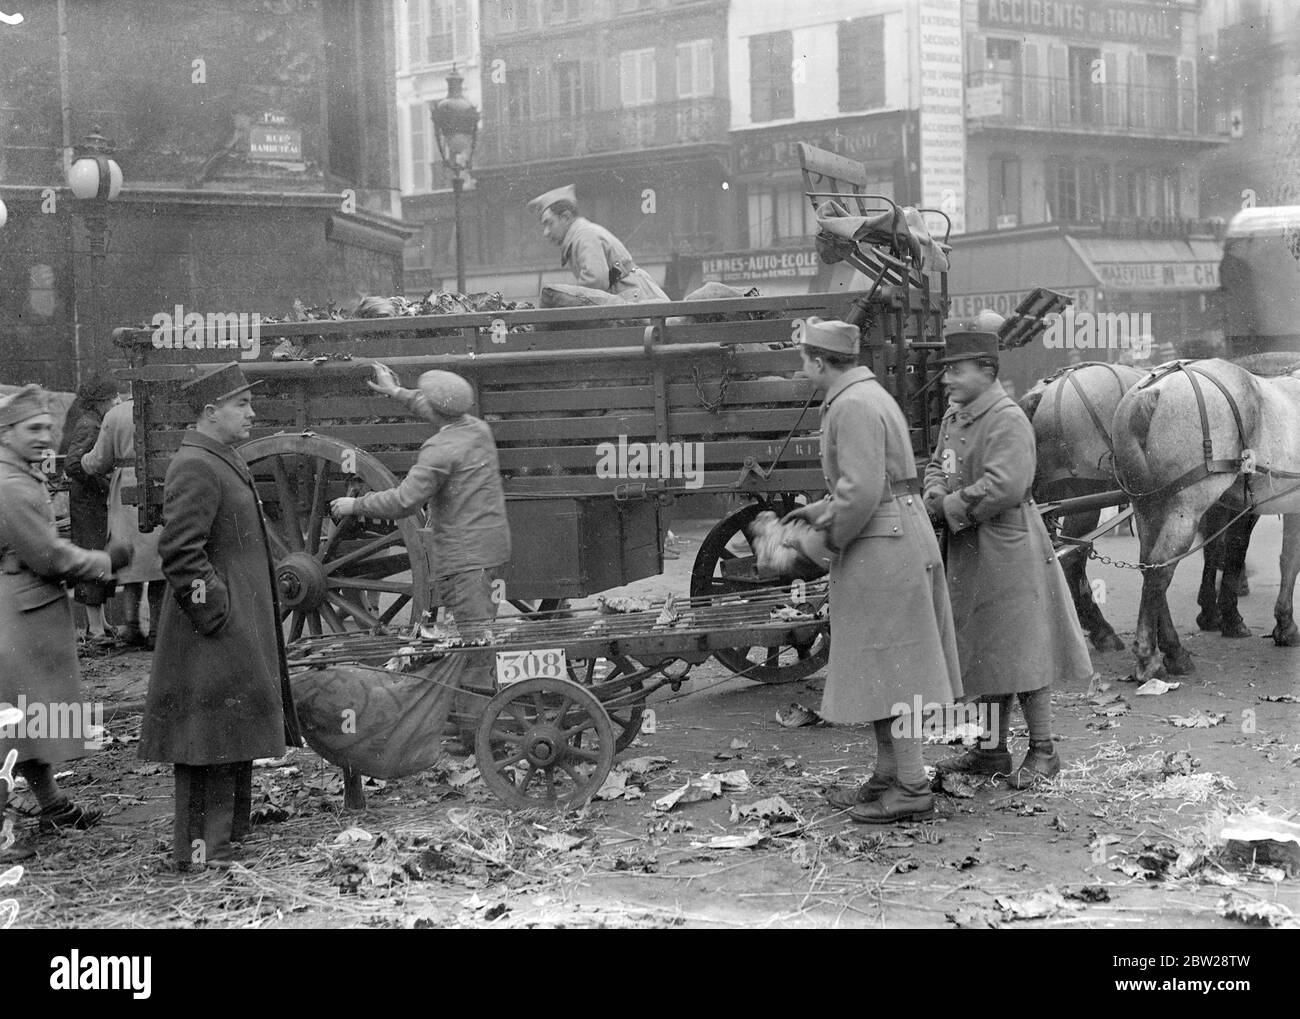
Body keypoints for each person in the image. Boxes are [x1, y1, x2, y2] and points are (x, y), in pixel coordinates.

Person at [780, 319, 963, 823]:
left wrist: (825, 540)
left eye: (803, 359)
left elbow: (861, 492)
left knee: (896, 667)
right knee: (885, 664)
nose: (802, 367)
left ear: (819, 361)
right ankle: (888, 775)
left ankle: (912, 786)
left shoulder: (853, 404)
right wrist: (821, 510)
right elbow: (876, 482)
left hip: (882, 543)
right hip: (895, 531)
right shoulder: (868, 395)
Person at [138, 364, 300, 871]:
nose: (253, 413)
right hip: (210, 629)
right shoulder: (195, 465)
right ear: (211, 413)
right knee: (206, 736)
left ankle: (226, 837)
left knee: (230, 730)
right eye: (242, 405)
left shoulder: (218, 458)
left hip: (231, 622)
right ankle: (202, 850)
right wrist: (217, 613)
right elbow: (181, 551)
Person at [923, 316, 1093, 788]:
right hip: (970, 546)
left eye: (956, 369)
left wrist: (948, 506)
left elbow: (1006, 485)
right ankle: (991, 752)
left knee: (1022, 649)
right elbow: (937, 464)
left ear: (986, 369)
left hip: (1007, 546)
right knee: (982, 649)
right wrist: (934, 494)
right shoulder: (955, 417)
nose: (947, 378)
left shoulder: (1007, 418)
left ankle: (1044, 752)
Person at [331, 364, 511, 751]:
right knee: (478, 636)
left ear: (435, 408)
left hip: (465, 558)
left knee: (475, 645)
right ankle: (480, 726)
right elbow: (432, 407)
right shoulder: (477, 429)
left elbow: (403, 501)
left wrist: (354, 504)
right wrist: (395, 392)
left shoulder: (439, 449)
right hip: (490, 549)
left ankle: (479, 737)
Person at [1, 384, 129, 862]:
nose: (44, 437)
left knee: (29, 718)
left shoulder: (17, 474)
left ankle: (53, 804)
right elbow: (49, 555)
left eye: (46, 428)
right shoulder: (10, 485)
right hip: (15, 614)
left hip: (26, 609)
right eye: (32, 430)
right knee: (11, 725)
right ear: (6, 434)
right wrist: (104, 559)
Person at [80, 396, 167, 648]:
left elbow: (99, 460)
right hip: (158, 483)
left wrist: (82, 463)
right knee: (156, 563)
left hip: (126, 487)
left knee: (131, 563)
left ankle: (131, 627)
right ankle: (156, 631)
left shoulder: (115, 414)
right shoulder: (161, 408)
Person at [528, 184, 670, 301]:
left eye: (549, 223)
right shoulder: (580, 235)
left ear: (566, 217)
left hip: (638, 299)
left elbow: (595, 282)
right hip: (635, 296)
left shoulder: (584, 235)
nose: (546, 232)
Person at [60, 376, 120, 645]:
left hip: (92, 502)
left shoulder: (94, 422)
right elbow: (73, 465)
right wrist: (102, 482)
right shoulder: (90, 425)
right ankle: (94, 629)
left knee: (99, 557)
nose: (117, 402)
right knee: (92, 558)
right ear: (100, 401)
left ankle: (102, 623)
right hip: (88, 504)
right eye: (112, 398)